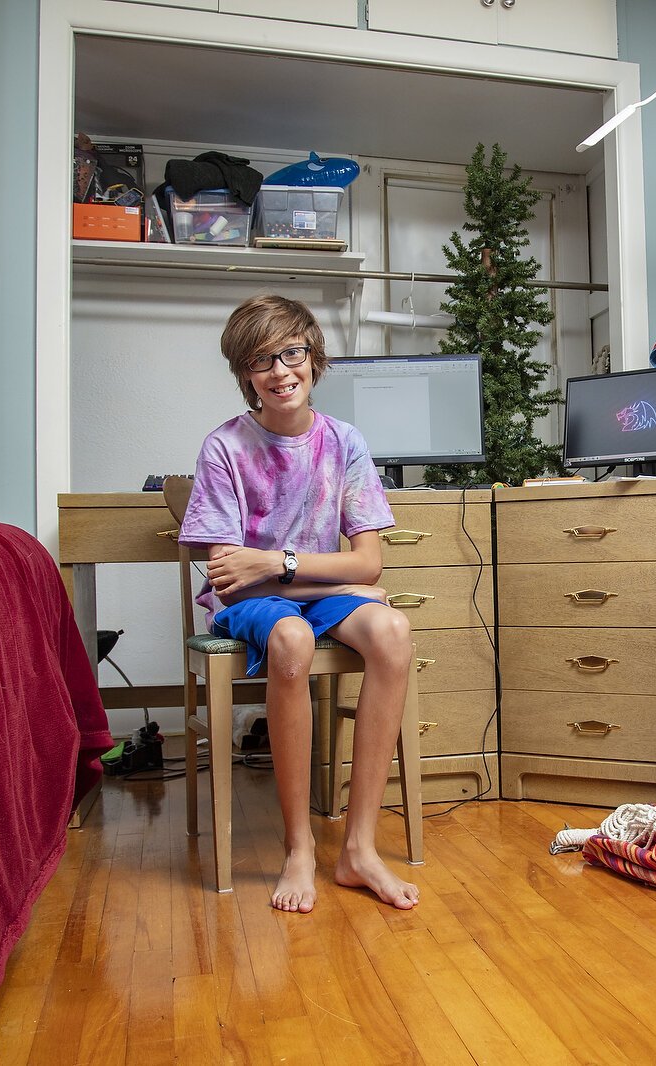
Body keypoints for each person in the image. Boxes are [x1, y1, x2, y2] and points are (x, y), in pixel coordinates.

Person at [177, 294, 419, 913]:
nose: (282, 370)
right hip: (257, 606)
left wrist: (281, 563)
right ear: (245, 375)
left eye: (292, 353)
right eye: (263, 360)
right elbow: (234, 580)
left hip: (301, 589)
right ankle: (299, 848)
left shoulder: (345, 443)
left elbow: (370, 561)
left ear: (314, 359)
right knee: (291, 639)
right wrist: (338, 583)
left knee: (392, 631)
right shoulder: (224, 448)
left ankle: (359, 851)